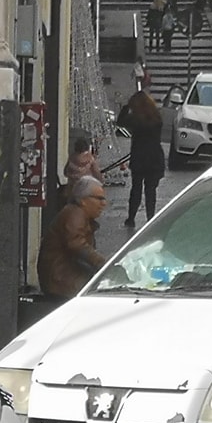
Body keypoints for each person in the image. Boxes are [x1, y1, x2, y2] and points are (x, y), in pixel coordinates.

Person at [37, 174, 109, 297]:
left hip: (65, 275)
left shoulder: (77, 213)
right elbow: (77, 244)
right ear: (83, 201)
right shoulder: (75, 214)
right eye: (99, 198)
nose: (103, 204)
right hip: (63, 279)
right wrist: (103, 263)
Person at [116, 79, 166, 228]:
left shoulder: (135, 120)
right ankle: (150, 218)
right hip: (155, 157)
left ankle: (131, 218)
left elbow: (120, 123)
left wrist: (126, 107)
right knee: (151, 191)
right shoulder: (157, 118)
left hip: (139, 157)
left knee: (136, 189)